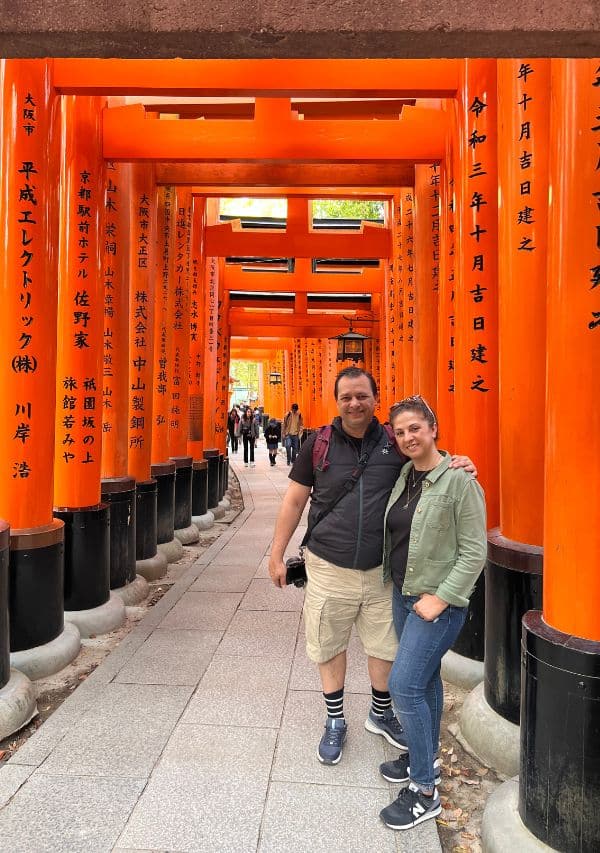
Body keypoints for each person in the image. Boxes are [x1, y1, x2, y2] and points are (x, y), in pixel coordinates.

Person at [268, 367, 475, 766]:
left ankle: (380, 713)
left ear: (375, 399)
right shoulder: (319, 443)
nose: (354, 403)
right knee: (328, 644)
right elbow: (294, 500)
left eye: (362, 396)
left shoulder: (394, 443)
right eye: (346, 396)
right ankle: (334, 720)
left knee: (385, 647)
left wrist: (458, 463)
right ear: (337, 400)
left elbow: (429, 462)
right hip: (328, 565)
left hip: (383, 570)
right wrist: (276, 553)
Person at [377, 395, 487, 831]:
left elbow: (475, 551)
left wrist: (441, 598)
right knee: (425, 684)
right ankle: (426, 758)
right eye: (400, 432)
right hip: (404, 595)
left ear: (433, 428)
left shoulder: (459, 481)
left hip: (435, 605)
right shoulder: (406, 475)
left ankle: (425, 791)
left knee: (403, 687)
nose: (408, 437)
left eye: (415, 428)